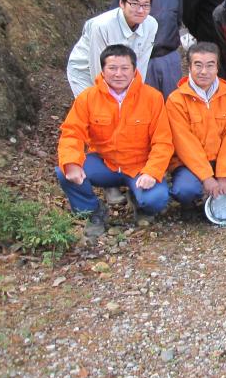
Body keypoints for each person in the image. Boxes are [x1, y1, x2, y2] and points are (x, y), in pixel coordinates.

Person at [56, 45, 173, 237]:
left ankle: (140, 203)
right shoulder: (88, 98)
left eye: (124, 68)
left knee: (157, 200)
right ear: (103, 70)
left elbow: (163, 141)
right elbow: (72, 133)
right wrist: (71, 162)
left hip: (139, 166)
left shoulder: (152, 97)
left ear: (134, 69)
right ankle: (94, 211)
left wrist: (152, 171)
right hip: (104, 163)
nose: (118, 74)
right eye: (112, 68)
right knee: (64, 169)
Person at [166, 42, 226, 209]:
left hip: (220, 159)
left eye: (210, 65)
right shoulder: (176, 100)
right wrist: (206, 177)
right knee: (185, 191)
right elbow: (185, 144)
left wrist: (224, 174)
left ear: (217, 68)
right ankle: (201, 194)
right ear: (189, 67)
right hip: (189, 164)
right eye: (198, 65)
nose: (204, 71)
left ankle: (222, 190)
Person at [110, 0, 182, 99]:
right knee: (144, 104)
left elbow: (178, 20)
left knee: (174, 104)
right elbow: (115, 26)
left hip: (169, 57)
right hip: (140, 59)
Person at [67, 0, 158, 98]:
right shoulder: (101, 26)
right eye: (134, 4)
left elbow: (141, 62)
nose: (140, 10)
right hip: (84, 71)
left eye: (146, 5)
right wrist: (110, 96)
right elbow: (97, 67)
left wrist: (135, 92)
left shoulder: (151, 24)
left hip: (118, 69)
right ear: (122, 3)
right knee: (96, 108)